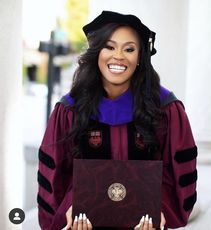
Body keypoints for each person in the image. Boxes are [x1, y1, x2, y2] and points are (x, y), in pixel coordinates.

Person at [37, 11, 197, 230]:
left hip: (145, 222)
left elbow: (178, 172)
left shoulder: (165, 108)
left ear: (140, 56)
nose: (118, 56)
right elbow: (54, 175)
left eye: (129, 49)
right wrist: (68, 211)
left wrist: (160, 210)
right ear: (96, 52)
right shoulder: (70, 109)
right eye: (109, 47)